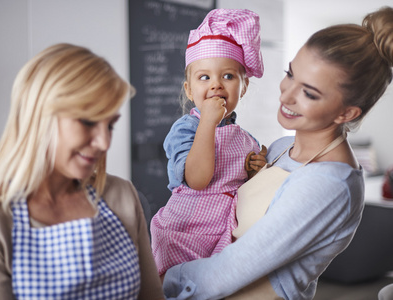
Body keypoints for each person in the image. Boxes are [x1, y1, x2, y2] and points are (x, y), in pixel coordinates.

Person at [163, 6, 393, 300]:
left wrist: (158, 281)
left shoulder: (329, 184)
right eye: (290, 74)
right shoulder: (280, 149)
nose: (285, 95)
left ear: (347, 112)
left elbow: (225, 273)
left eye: (309, 93)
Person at [0, 44, 164, 300]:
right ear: (39, 115)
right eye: (88, 121)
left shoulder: (121, 195)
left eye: (110, 125)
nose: (104, 142)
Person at [149, 9, 267, 279]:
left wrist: (255, 172)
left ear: (243, 86)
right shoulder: (185, 129)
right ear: (189, 90)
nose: (216, 85)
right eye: (204, 77)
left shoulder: (247, 139)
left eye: (228, 76)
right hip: (185, 232)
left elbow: (246, 190)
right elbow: (198, 179)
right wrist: (208, 123)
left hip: (223, 231)